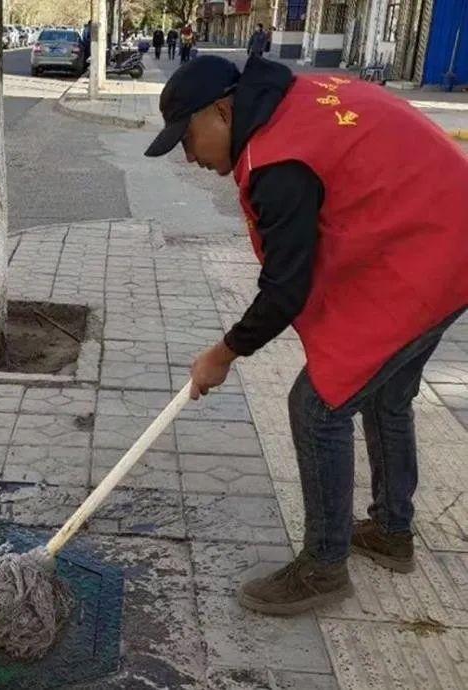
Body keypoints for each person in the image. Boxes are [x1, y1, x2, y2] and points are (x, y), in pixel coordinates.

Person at [145, 56, 467, 615]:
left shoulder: (278, 160)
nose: (189, 156)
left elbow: (285, 289)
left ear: (223, 110)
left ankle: (323, 566)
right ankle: (391, 532)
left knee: (318, 405)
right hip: (445, 229)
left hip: (434, 249)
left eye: (188, 138)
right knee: (387, 393)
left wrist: (223, 354)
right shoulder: (287, 102)